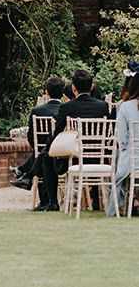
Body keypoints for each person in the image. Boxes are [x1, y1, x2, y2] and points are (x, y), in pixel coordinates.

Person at [39, 69, 109, 212]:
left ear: (73, 88)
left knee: (46, 157)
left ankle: (53, 202)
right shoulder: (103, 106)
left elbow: (56, 133)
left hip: (74, 159)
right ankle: (96, 202)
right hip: (98, 158)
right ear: (91, 87)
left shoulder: (66, 107)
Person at [9, 77, 65, 208]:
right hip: (61, 151)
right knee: (42, 156)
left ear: (47, 92)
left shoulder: (37, 111)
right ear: (63, 94)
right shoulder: (64, 110)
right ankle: (24, 173)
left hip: (44, 152)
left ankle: (42, 198)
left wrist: (37, 149)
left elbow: (30, 136)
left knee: (40, 155)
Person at [107, 63, 139, 216]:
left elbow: (122, 139)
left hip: (131, 159)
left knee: (118, 178)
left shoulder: (125, 107)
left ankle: (114, 210)